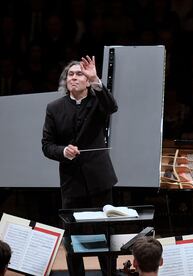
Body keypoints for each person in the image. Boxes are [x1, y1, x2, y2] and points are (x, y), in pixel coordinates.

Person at [41, 56, 118, 275]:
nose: (74, 77)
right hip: (71, 181)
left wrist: (96, 80)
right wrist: (63, 151)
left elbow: (113, 107)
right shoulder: (54, 108)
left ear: (87, 79)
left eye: (79, 74)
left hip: (100, 180)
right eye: (71, 74)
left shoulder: (98, 102)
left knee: (104, 234)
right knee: (72, 235)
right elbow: (47, 145)